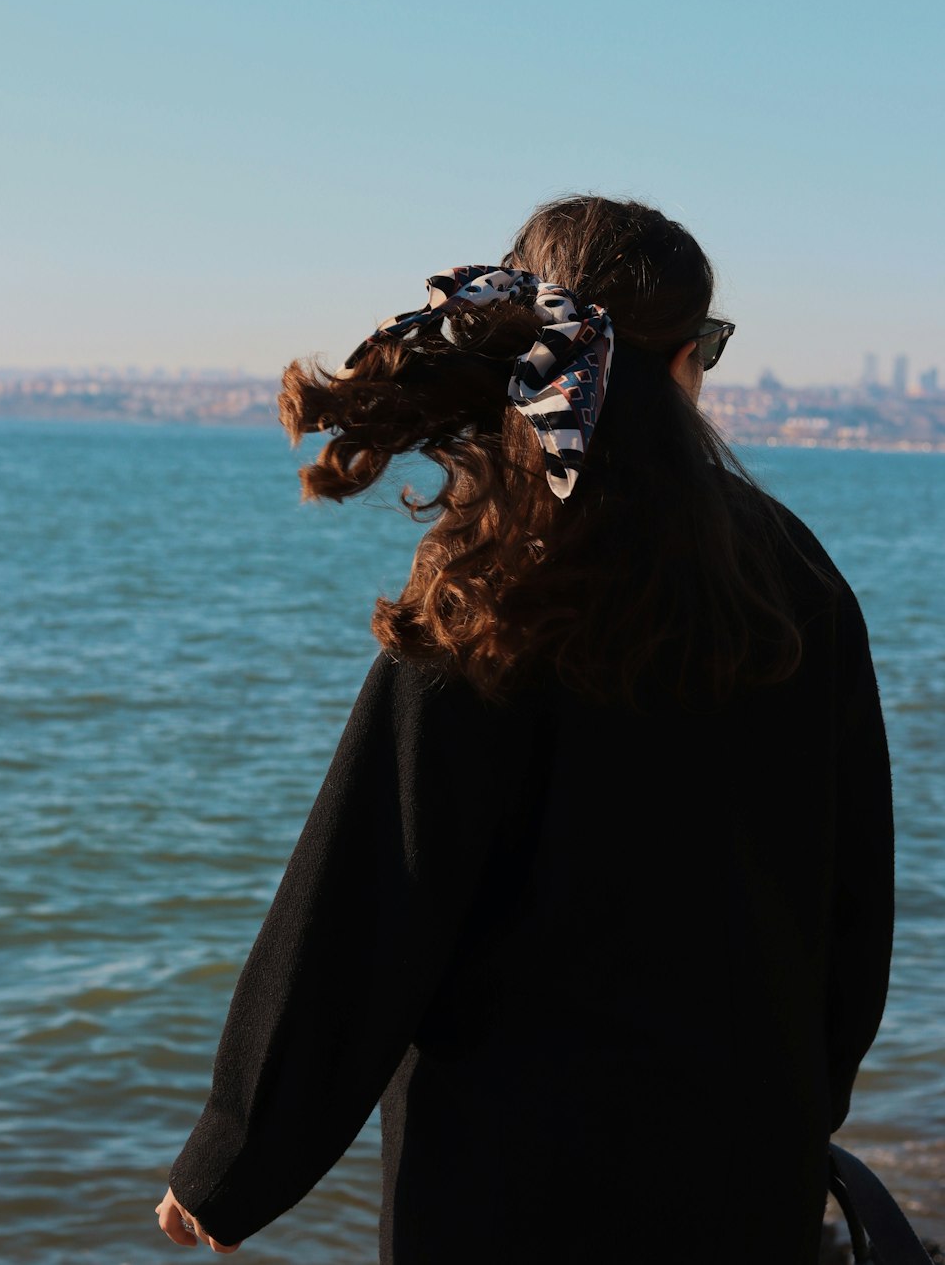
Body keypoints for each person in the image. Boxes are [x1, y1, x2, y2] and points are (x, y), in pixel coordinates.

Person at [155, 197, 893, 1264]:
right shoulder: (795, 577)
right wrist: (803, 1100)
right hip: (739, 1169)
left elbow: (375, 888)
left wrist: (235, 1159)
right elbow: (853, 890)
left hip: (507, 1177)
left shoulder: (500, 573)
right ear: (689, 357)